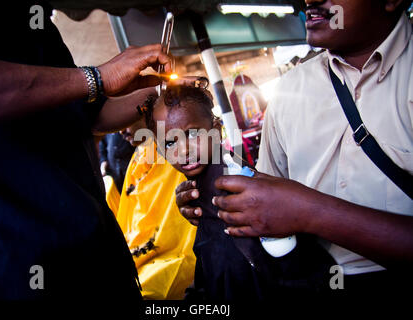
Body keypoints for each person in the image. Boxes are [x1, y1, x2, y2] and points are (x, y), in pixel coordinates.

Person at [176, 0, 413, 302]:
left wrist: (308, 212)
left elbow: (295, 209)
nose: (310, 0)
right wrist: (212, 198)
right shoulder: (290, 90)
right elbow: (266, 208)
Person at [0, 1, 172, 301]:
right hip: (16, 265)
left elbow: (89, 116)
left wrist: (158, 92)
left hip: (97, 249)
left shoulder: (38, 25)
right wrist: (96, 78)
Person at [145, 85, 335, 300]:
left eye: (193, 134)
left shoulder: (233, 181)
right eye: (170, 142)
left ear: (216, 131)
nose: (184, 150)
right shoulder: (198, 189)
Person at [111, 116, 197, 300]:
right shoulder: (139, 157)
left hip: (173, 259)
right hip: (140, 255)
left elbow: (179, 239)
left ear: (143, 110)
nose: (120, 131)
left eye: (124, 117)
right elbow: (129, 218)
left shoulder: (177, 154)